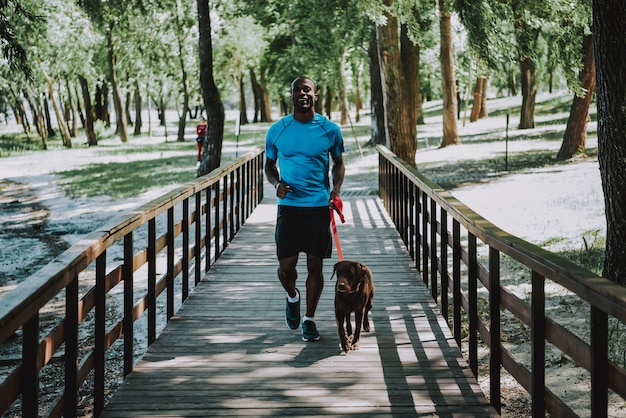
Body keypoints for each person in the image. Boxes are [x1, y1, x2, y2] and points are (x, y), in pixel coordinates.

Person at [264, 76, 345, 342]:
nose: (302, 93)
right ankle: (292, 296)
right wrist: (277, 184)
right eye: (297, 90)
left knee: (315, 265)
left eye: (307, 89)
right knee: (285, 267)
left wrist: (335, 190)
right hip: (288, 208)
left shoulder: (329, 130)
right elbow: (268, 166)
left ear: (315, 95)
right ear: (291, 97)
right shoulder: (278, 130)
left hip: (318, 207)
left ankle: (308, 320)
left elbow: (339, 163)